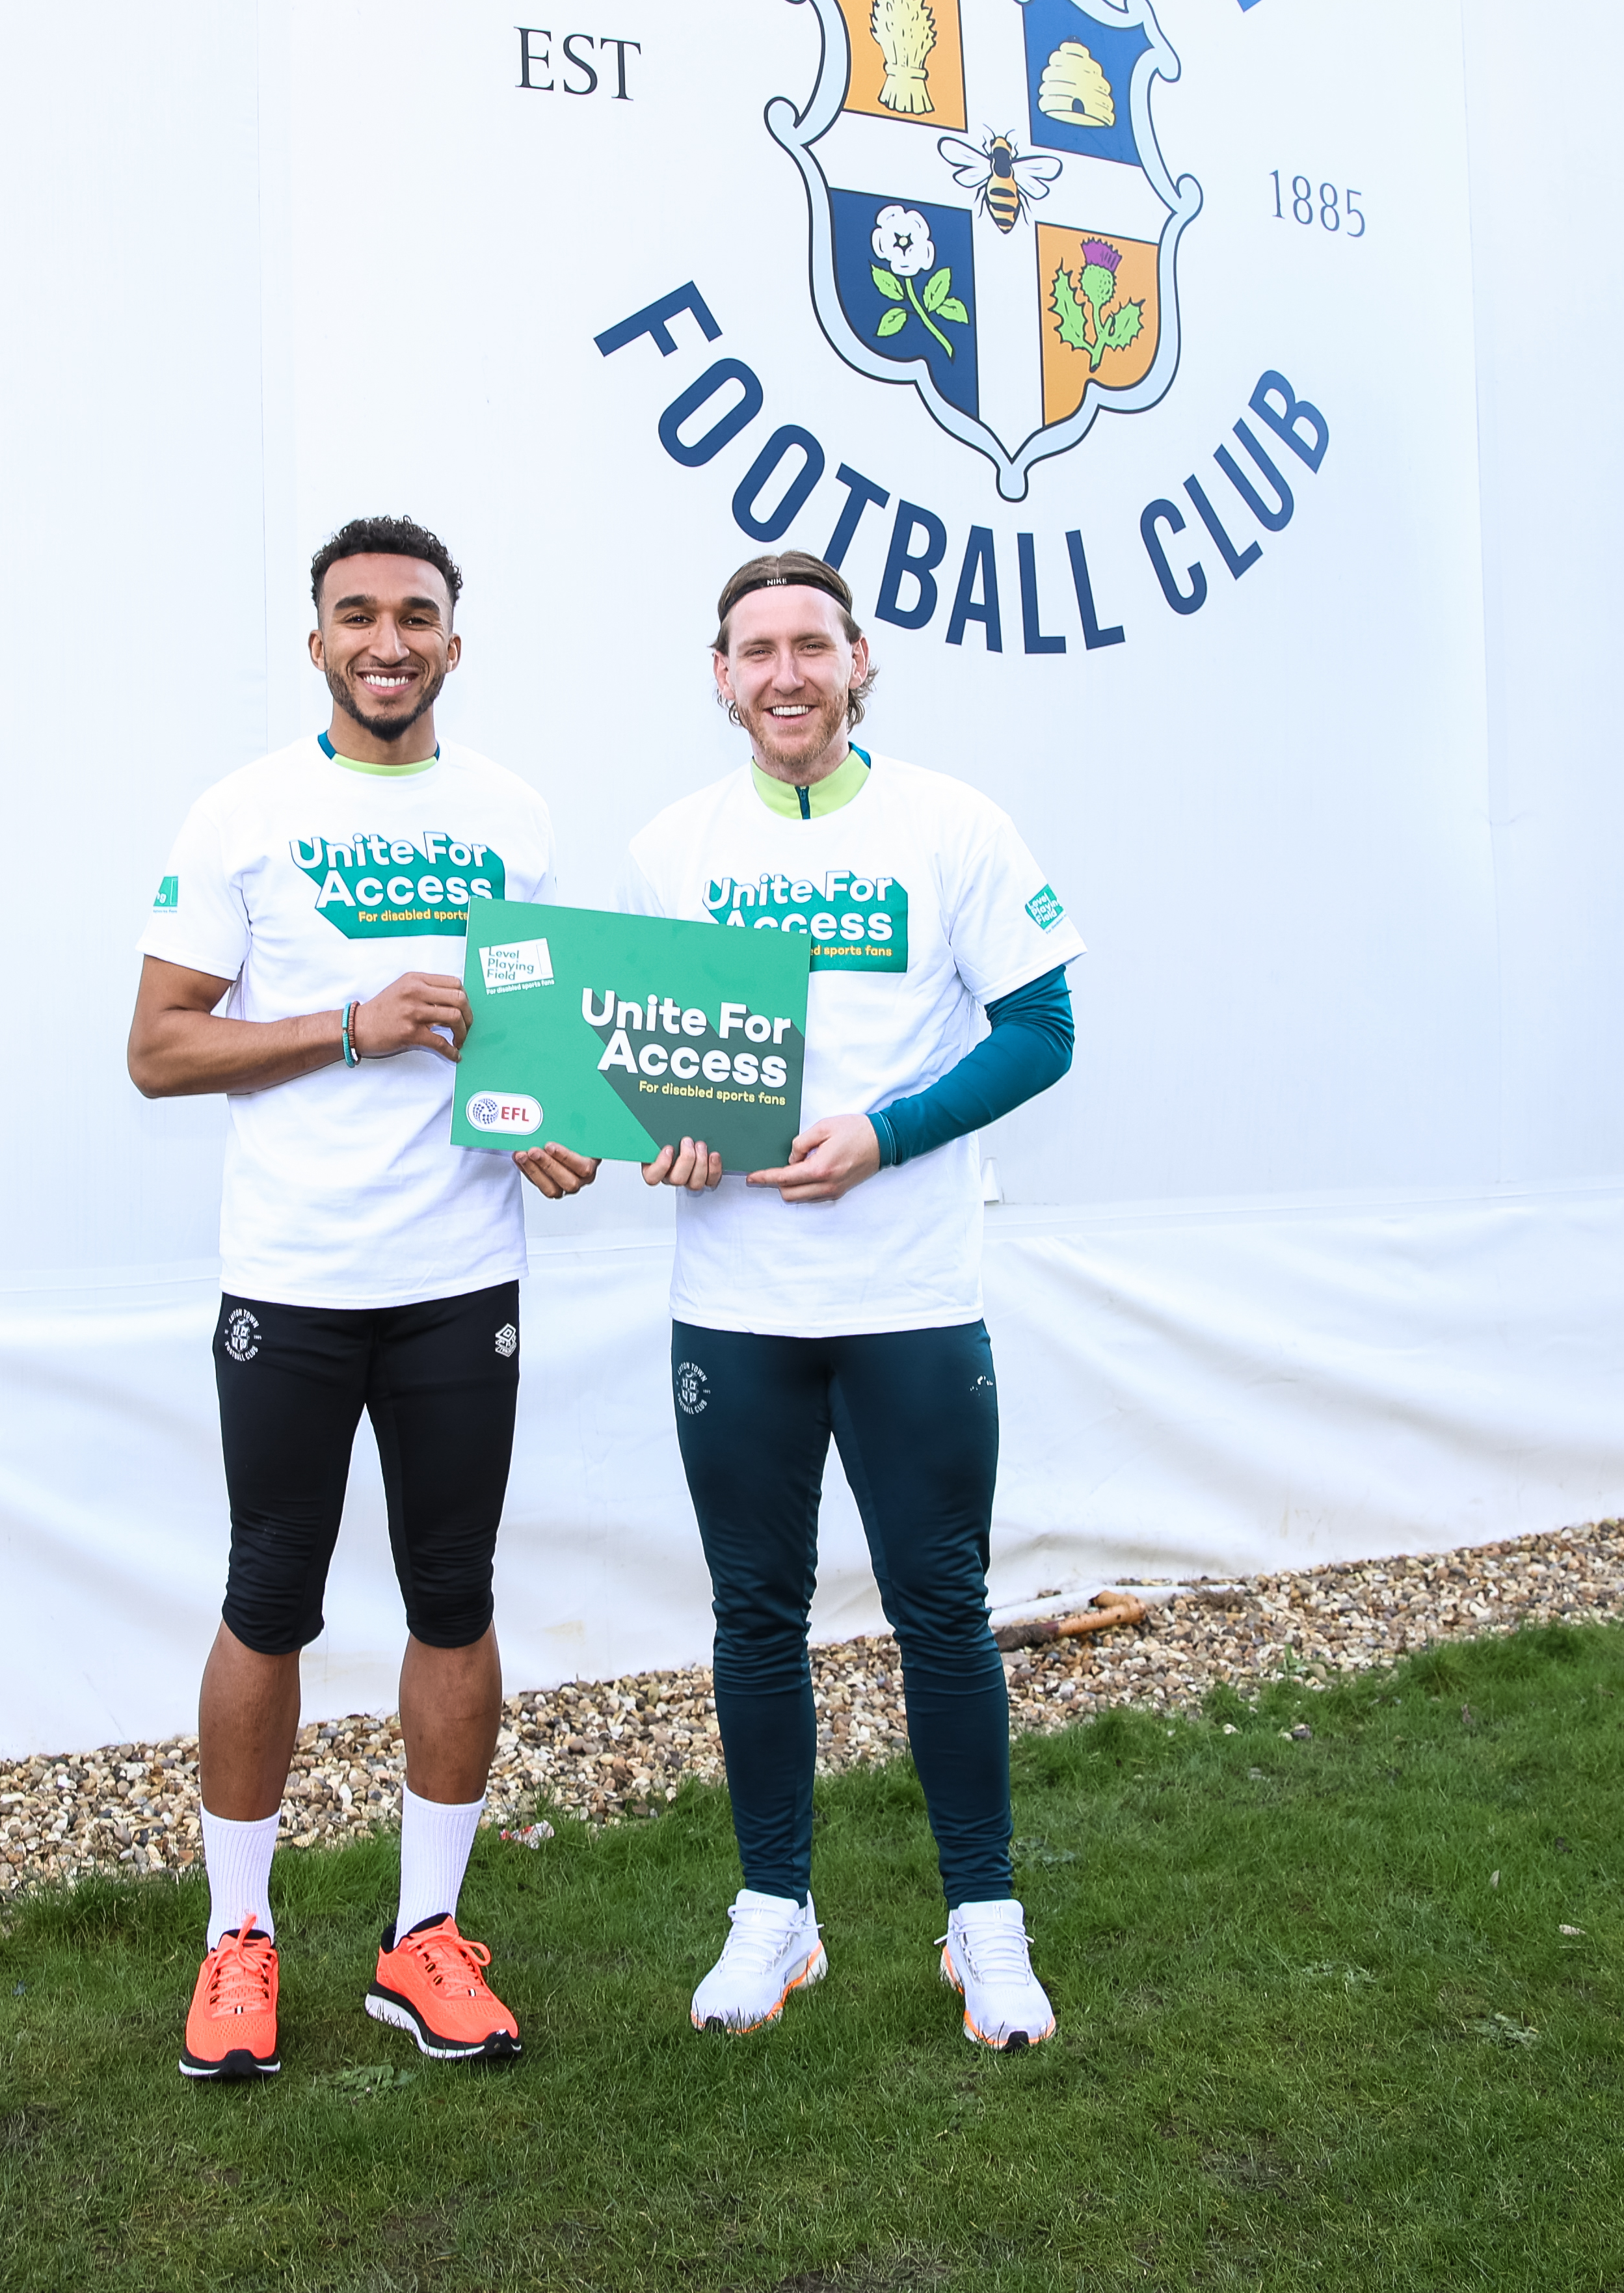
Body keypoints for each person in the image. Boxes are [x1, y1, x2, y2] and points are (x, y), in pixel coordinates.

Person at [540, 549, 1082, 2048]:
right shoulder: (673, 846)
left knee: (943, 1611)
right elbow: (657, 1072)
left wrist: (888, 1131)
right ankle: (775, 1916)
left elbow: (1043, 1026)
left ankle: (987, 1925)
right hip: (737, 1304)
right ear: (719, 676)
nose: (786, 673)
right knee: (755, 1613)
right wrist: (671, 1130)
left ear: (861, 661)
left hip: (910, 1292)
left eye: (812, 645)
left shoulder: (951, 823)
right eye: (755, 649)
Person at [127, 513, 583, 2082]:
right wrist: (349, 1026)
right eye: (356, 615)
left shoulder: (514, 815)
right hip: (298, 1278)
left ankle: (423, 1939)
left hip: (463, 1279)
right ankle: (238, 1940)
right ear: (316, 640)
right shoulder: (245, 809)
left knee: (454, 1598)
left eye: (416, 616)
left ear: (457, 640)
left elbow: (523, 1030)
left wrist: (547, 1127)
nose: (387, 641)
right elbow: (159, 1046)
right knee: (271, 1599)